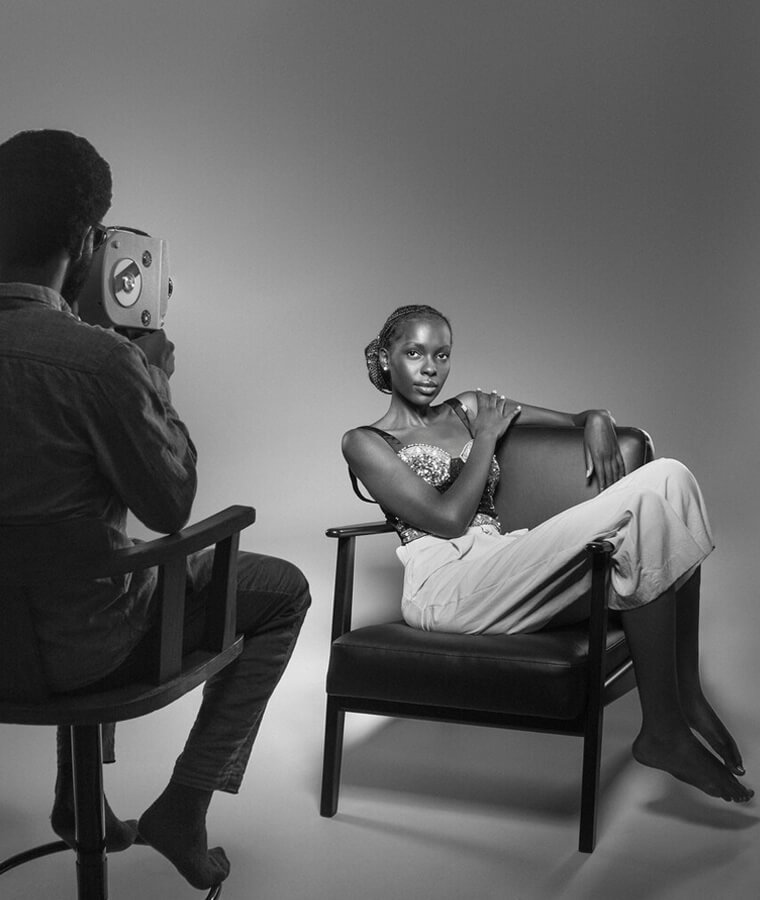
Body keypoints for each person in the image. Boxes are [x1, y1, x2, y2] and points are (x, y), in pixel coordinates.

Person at [0, 129, 310, 890]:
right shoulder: (101, 362)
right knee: (283, 592)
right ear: (85, 240)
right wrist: (152, 378)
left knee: (88, 565)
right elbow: (169, 507)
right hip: (87, 654)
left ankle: (77, 798)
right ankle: (184, 807)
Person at [343, 303, 752, 805]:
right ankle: (663, 731)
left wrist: (596, 417)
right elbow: (447, 520)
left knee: (672, 475)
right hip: (444, 586)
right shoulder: (364, 442)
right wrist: (486, 438)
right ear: (386, 358)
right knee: (644, 506)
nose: (430, 368)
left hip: (503, 558)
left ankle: (687, 691)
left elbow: (570, 420)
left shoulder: (468, 407)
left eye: (442, 354)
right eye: (414, 353)